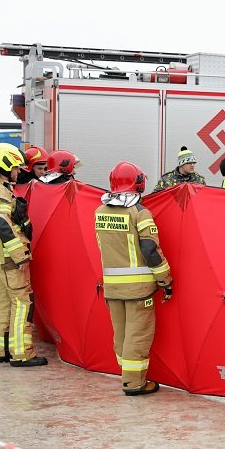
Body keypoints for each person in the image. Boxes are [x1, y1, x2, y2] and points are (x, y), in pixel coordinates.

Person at [95, 161, 173, 395]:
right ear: (138, 184)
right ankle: (134, 383)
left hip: (112, 288)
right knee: (137, 335)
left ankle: (126, 373)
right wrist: (165, 280)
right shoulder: (139, 213)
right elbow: (150, 249)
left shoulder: (100, 211)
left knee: (120, 334)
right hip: (138, 289)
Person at [0, 143, 47, 367]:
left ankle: (2, 350)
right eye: (16, 167)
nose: (18, 171)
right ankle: (21, 354)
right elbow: (2, 225)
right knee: (22, 304)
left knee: (5, 303)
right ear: (5, 167)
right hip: (10, 259)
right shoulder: (1, 191)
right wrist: (20, 255)